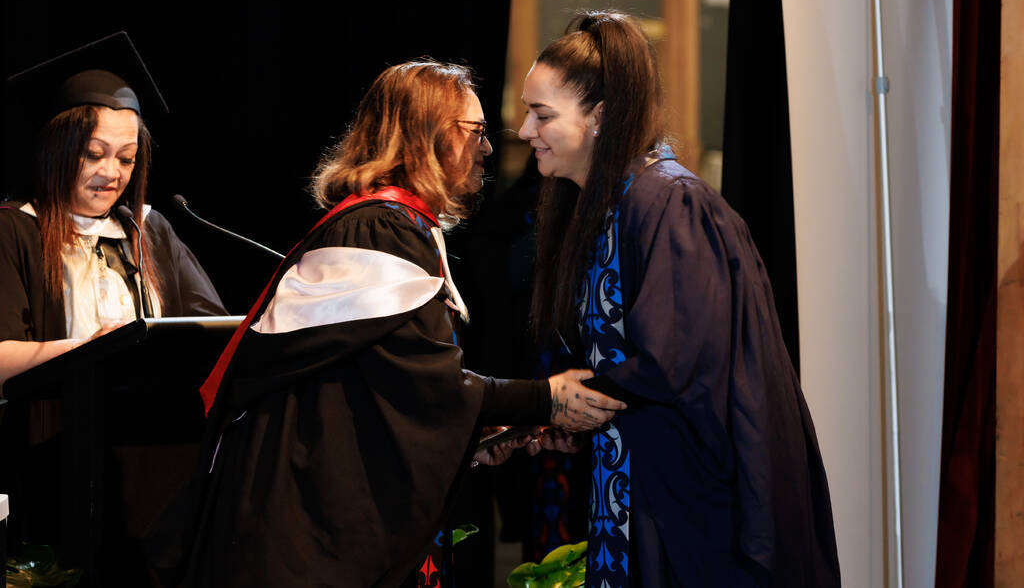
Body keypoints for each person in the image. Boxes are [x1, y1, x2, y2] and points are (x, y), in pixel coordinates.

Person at [159, 60, 625, 588]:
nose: (488, 149)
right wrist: (546, 398)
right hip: (300, 525)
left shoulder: (392, 227)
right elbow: (427, 382)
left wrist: (481, 430)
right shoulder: (378, 230)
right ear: (428, 137)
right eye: (474, 133)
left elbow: (386, 393)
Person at [517, 10, 841, 587]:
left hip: (696, 511)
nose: (524, 131)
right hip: (642, 489)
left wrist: (562, 401)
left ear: (600, 117)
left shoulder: (670, 204)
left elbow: (673, 362)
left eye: (542, 115)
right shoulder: (610, 206)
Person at [0, 32, 227, 392]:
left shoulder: (148, 229)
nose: (112, 173)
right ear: (55, 153)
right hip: (54, 435)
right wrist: (92, 352)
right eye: (93, 154)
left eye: (126, 158)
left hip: (154, 434)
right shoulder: (15, 228)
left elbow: (212, 334)